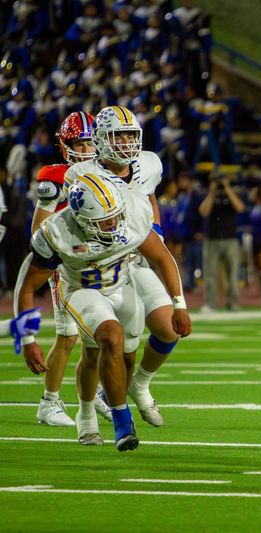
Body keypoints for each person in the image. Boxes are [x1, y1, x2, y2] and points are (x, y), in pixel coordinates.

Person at [15, 177, 191, 450]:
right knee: (109, 337)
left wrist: (178, 304)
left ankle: (88, 409)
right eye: (103, 220)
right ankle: (121, 423)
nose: (113, 223)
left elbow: (161, 257)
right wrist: (27, 341)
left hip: (122, 283)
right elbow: (26, 288)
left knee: (125, 359)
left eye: (115, 216)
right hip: (80, 289)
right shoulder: (57, 233)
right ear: (82, 219)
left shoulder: (131, 212)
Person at [68, 105, 183, 428]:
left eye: (131, 135)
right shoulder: (82, 175)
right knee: (99, 348)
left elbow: (149, 198)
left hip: (137, 256)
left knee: (167, 329)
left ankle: (140, 384)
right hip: (101, 268)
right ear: (102, 140)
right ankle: (88, 412)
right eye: (119, 136)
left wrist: (154, 231)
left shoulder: (148, 164)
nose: (126, 143)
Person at [30, 110, 112, 426]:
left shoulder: (103, 173)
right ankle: (49, 403)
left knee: (105, 329)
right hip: (66, 265)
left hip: (98, 264)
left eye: (91, 143)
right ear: (65, 146)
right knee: (68, 335)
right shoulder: (55, 178)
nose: (86, 150)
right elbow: (38, 231)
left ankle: (96, 395)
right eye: (79, 143)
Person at [198, 173, 245, 311]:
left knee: (233, 274)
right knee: (210, 274)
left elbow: (240, 208)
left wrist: (227, 188)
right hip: (212, 239)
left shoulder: (232, 194)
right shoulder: (209, 195)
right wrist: (212, 192)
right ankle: (211, 304)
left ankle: (233, 303)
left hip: (230, 239)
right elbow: (203, 212)